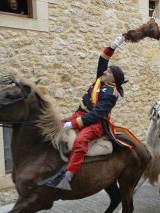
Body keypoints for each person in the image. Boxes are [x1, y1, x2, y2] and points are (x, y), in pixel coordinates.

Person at [50, 35, 131, 190]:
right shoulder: (100, 80)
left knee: (80, 142)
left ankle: (68, 176)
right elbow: (103, 60)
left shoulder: (111, 94)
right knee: (54, 126)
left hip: (96, 124)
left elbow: (95, 115)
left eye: (108, 71)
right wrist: (114, 46)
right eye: (106, 70)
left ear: (114, 78)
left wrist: (72, 124)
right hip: (80, 115)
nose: (105, 71)